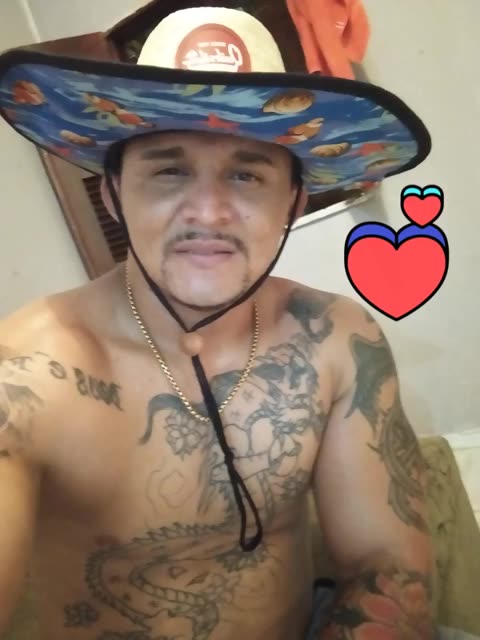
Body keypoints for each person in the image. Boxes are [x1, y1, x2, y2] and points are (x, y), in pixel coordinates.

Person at [0, 6, 443, 640]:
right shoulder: (26, 375)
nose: (208, 212)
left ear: (293, 200)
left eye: (246, 174)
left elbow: (387, 569)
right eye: (169, 170)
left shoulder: (339, 341)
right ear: (113, 195)